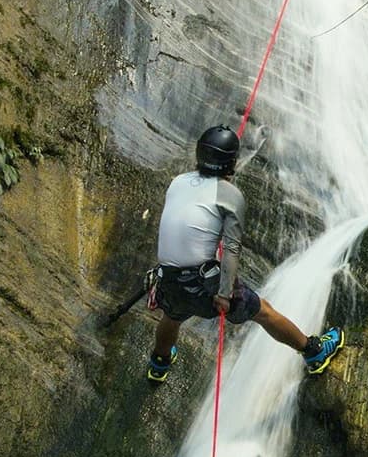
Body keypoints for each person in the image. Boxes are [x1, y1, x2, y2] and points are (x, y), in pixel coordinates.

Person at [146, 125, 344, 384]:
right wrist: (224, 294)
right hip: (205, 284)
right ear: (231, 163)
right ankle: (313, 351)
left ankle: (159, 364)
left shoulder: (178, 181)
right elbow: (231, 248)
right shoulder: (230, 196)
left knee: (172, 315)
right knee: (263, 311)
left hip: (168, 278)